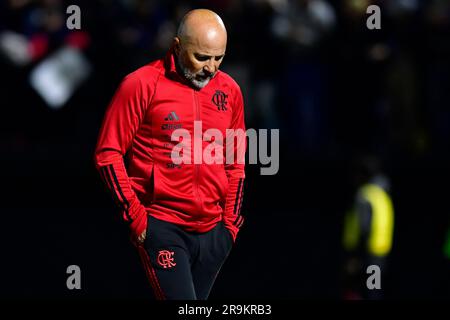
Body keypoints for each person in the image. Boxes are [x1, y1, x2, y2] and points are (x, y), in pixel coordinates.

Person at [94, 9, 246, 300]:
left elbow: (235, 163)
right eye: (201, 57)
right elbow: (108, 153)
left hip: (214, 232)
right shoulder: (140, 84)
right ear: (176, 47)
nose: (211, 68)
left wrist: (229, 226)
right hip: (163, 225)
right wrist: (137, 218)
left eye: (219, 58)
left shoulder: (230, 91)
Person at [341, 155, 395, 300]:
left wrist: (354, 255)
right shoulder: (382, 194)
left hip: (366, 253)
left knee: (362, 290)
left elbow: (364, 227)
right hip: (381, 252)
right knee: (375, 288)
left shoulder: (364, 195)